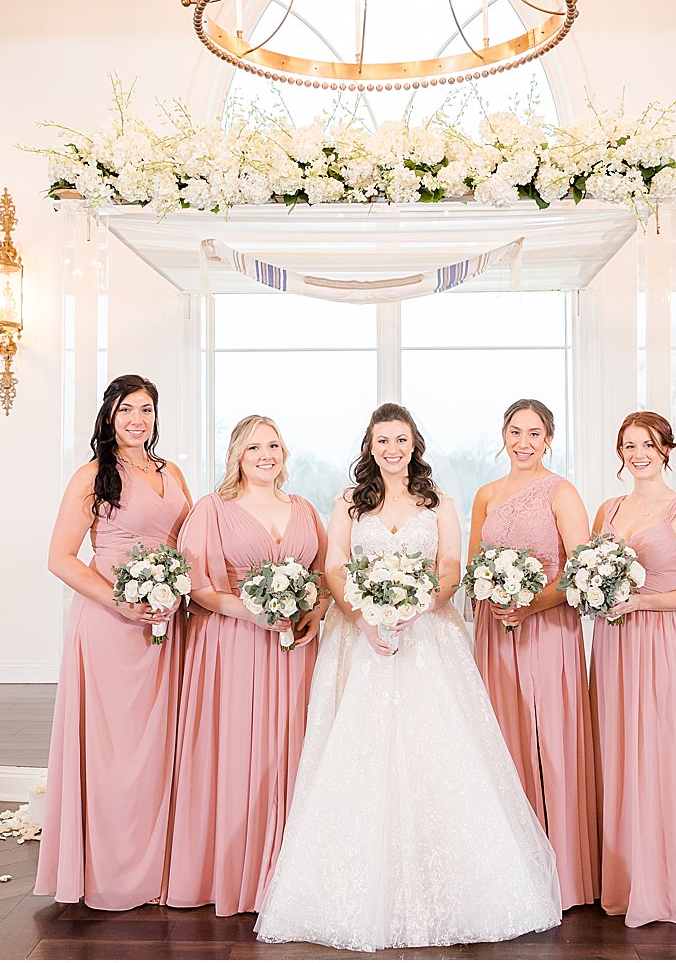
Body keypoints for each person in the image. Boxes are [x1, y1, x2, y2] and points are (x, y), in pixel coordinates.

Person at [255, 403, 561, 952]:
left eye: (400, 440)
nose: (392, 449)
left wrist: (416, 606)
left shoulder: (437, 501)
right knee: (358, 756)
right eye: (382, 441)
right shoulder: (349, 502)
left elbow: (449, 568)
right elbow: (334, 566)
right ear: (370, 448)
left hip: (428, 639)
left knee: (440, 754)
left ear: (414, 444)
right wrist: (364, 615)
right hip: (362, 639)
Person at [33, 374, 192, 910]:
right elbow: (60, 557)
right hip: (111, 626)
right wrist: (120, 601)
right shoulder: (93, 475)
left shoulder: (171, 472)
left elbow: (188, 543)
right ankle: (109, 865)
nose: (136, 420)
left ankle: (160, 860)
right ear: (108, 416)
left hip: (167, 627)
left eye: (146, 409)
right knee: (115, 749)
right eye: (126, 409)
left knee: (161, 745)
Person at [166, 416, 329, 916]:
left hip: (295, 652)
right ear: (237, 454)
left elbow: (324, 577)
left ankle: (289, 874)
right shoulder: (212, 511)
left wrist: (314, 615)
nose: (266, 454)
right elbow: (196, 585)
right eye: (255, 446)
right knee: (241, 753)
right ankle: (236, 872)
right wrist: (254, 611)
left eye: (274, 445)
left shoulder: (303, 509)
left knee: (294, 752)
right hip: (232, 647)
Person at [591, 411, 676, 930]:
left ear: (666, 449)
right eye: (628, 445)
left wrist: (641, 603)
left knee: (662, 749)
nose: (637, 454)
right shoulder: (608, 509)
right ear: (620, 452)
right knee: (620, 749)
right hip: (613, 644)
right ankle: (626, 877)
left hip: (663, 642)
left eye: (647, 444)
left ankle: (668, 883)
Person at [469, 399, 599, 909]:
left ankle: (562, 868)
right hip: (494, 630)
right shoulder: (486, 494)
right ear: (503, 435)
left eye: (535, 432)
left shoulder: (561, 492)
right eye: (515, 431)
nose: (524, 442)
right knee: (501, 738)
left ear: (549, 439)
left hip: (547, 629)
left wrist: (531, 605)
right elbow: (477, 562)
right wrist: (493, 599)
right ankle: (509, 866)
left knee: (550, 736)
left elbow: (580, 571)